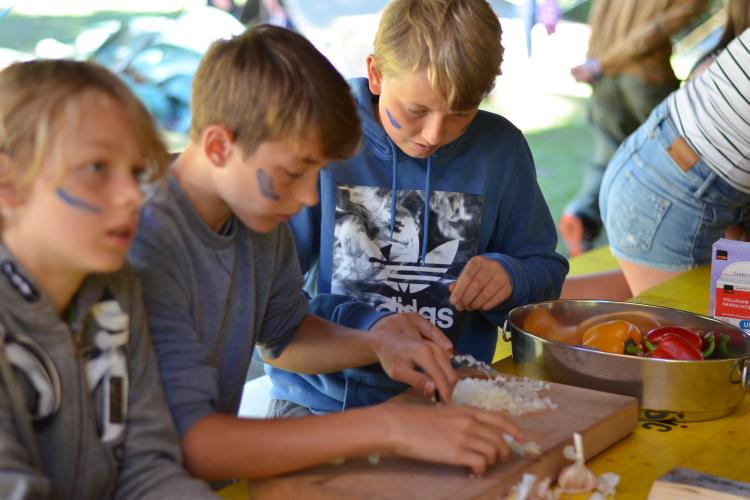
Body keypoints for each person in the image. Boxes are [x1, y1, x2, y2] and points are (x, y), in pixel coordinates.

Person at [128, 25, 522, 482]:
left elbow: (284, 336)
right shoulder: (141, 240)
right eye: (294, 172)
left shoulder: (257, 214)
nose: (308, 198)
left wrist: (377, 343)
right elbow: (192, 443)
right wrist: (389, 427)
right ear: (219, 146)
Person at [265, 0, 567, 418]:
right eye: (416, 110)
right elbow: (271, 303)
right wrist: (369, 328)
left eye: (461, 113)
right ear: (375, 73)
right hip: (322, 398)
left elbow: (546, 272)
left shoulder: (502, 152)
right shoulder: (321, 136)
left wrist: (510, 277)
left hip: (449, 395)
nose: (434, 134)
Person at [0, 60, 214, 499]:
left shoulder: (115, 288)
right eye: (97, 167)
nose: (132, 195)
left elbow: (146, 469)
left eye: (136, 173)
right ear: (8, 185)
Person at [599, 27, 750, 296]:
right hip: (674, 196)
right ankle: (519, 311)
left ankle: (525, 303)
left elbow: (704, 71)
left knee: (642, 301)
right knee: (698, 331)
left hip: (652, 158)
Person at [560, 0, 709, 256]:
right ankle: (649, 244)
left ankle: (582, 217)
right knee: (667, 162)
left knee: (607, 158)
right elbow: (666, 25)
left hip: (603, 76)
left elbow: (600, 16)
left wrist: (596, 63)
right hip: (644, 77)